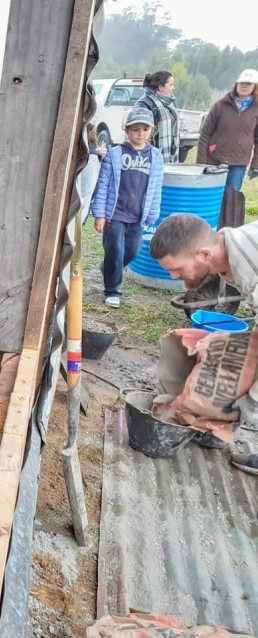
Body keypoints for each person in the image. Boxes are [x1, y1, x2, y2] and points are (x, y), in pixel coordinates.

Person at [150, 213, 258, 474]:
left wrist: (252, 401)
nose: (174, 276)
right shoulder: (233, 248)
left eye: (177, 268)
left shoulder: (251, 272)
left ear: (204, 255)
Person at [91, 107, 164, 309]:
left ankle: (107, 268)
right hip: (115, 213)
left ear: (152, 131)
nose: (140, 134)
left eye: (144, 129)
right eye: (135, 129)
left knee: (133, 250)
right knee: (115, 250)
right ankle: (113, 290)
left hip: (137, 216)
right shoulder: (115, 154)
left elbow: (156, 186)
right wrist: (100, 215)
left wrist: (152, 213)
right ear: (126, 130)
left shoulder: (156, 157)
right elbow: (103, 184)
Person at [196, 69, 258, 191]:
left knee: (232, 197)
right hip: (214, 159)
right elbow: (205, 133)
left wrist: (255, 164)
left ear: (255, 86)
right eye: (241, 83)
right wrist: (201, 162)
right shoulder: (221, 105)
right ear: (236, 84)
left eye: (248, 84)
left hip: (238, 162)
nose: (244, 86)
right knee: (211, 195)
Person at [134, 70, 179, 164]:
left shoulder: (169, 103)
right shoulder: (144, 103)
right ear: (160, 87)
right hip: (149, 158)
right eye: (170, 85)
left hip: (168, 156)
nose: (173, 88)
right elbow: (139, 133)